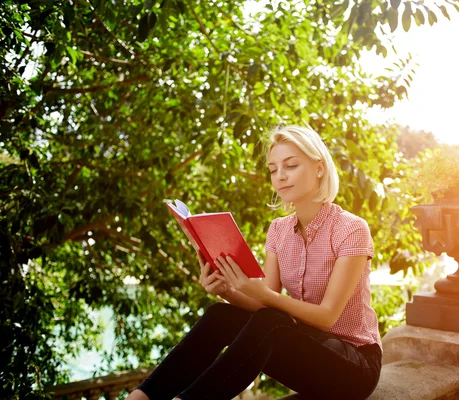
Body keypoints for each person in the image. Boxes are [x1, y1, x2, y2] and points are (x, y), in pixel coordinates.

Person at [126, 125, 382, 400]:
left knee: (271, 320)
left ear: (319, 168)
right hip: (310, 361)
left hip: (355, 368)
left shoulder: (351, 229)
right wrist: (226, 290)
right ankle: (142, 397)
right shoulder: (278, 231)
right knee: (220, 314)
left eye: (291, 165)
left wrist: (263, 294)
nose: (280, 176)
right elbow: (263, 305)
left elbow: (326, 316)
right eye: (273, 169)